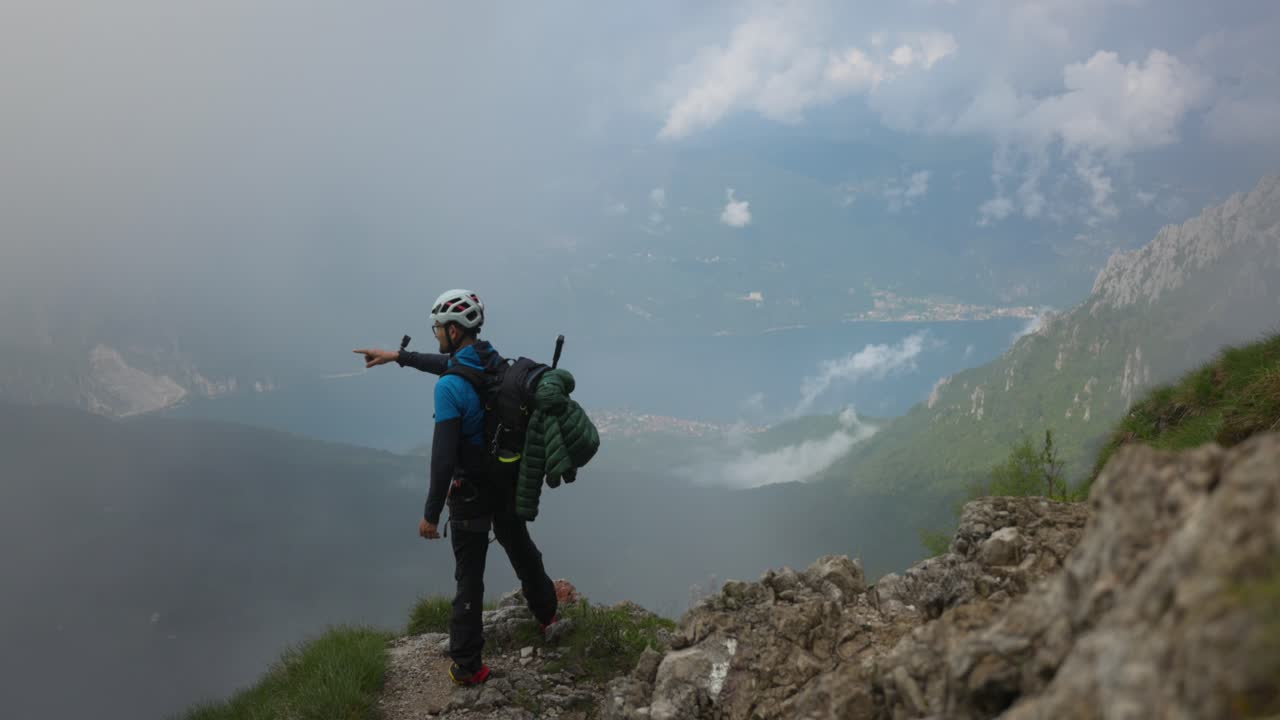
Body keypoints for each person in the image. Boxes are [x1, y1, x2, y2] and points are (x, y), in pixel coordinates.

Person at [354, 288, 558, 686]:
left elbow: (443, 458)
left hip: (470, 494)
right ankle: (549, 616)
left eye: (437, 329)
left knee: (470, 577)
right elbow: (451, 364)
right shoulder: (492, 359)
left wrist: (431, 515)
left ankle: (468, 666)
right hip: (506, 483)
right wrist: (399, 357)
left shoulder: (448, 389)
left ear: (452, 329)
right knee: (522, 551)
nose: (435, 335)